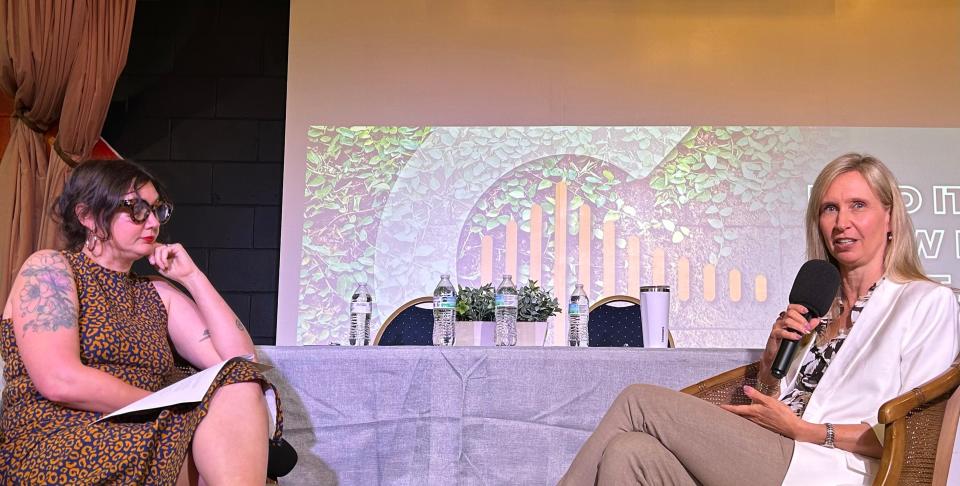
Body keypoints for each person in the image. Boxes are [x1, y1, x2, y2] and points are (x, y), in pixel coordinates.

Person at [559, 153, 960, 486]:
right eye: (830, 208)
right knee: (628, 453)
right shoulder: (818, 308)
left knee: (637, 400)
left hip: (836, 471)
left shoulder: (926, 302)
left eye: (859, 205)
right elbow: (784, 404)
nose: (842, 222)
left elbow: (916, 435)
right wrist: (770, 370)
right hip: (773, 455)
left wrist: (807, 432)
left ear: (890, 218)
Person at [0, 159, 282, 485]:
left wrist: (193, 277)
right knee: (220, 451)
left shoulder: (157, 292)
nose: (152, 222)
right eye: (136, 209)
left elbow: (240, 363)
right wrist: (170, 409)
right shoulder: (50, 268)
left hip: (149, 432)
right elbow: (59, 381)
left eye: (156, 210)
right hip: (60, 438)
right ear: (87, 216)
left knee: (236, 389)